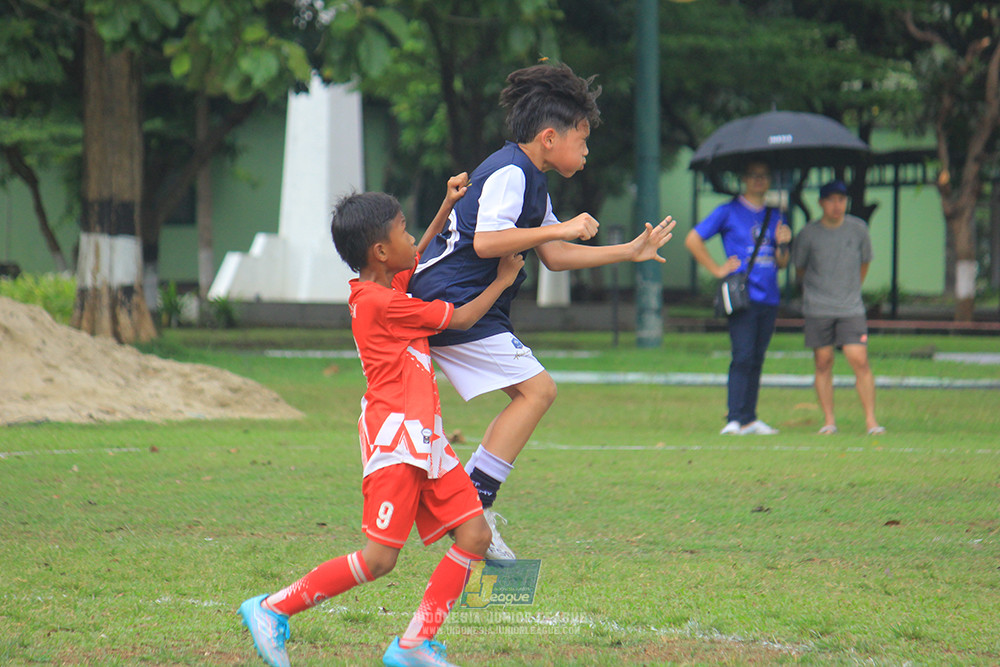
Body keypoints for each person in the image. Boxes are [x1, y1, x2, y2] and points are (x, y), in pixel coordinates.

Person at [239, 176, 525, 667]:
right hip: (396, 438)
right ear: (380, 251)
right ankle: (270, 608)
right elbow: (458, 319)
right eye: (404, 231)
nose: (414, 238)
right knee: (380, 559)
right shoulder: (381, 303)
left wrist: (445, 206)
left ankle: (413, 644)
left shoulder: (383, 283)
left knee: (475, 535)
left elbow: (413, 257)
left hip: (426, 437)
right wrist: (502, 280)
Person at [407, 62, 675, 559]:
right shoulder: (511, 171)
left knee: (532, 392)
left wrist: (628, 252)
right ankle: (472, 506)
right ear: (550, 137)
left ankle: (470, 505)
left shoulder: (529, 176)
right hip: (451, 300)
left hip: (466, 301)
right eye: (583, 138)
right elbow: (488, 242)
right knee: (538, 390)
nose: (588, 150)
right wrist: (559, 227)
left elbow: (554, 256)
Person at [684, 160, 792, 435]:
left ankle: (750, 418)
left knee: (757, 356)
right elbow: (693, 239)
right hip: (742, 295)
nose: (759, 180)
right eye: (754, 175)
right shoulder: (728, 211)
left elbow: (781, 262)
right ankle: (734, 417)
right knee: (742, 355)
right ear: (744, 179)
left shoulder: (776, 215)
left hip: (769, 297)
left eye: (764, 176)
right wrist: (717, 269)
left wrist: (784, 243)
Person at [792, 180, 885, 436]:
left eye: (841, 200)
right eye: (831, 200)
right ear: (821, 202)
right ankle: (829, 420)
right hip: (818, 307)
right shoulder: (809, 234)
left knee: (859, 359)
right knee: (823, 361)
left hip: (850, 307)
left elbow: (864, 263)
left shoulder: (858, 229)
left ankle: (871, 420)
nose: (837, 205)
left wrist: (851, 288)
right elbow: (799, 269)